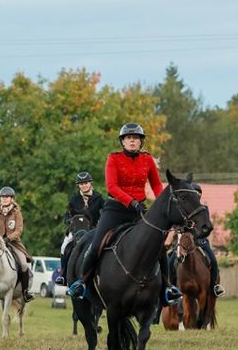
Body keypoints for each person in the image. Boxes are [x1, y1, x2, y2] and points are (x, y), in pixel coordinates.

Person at [67, 123, 182, 305]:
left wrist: (163, 204)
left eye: (135, 138)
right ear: (123, 141)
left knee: (157, 245)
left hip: (139, 211)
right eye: (128, 138)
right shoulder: (113, 159)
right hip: (115, 210)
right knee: (96, 243)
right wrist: (131, 202)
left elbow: (156, 185)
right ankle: (82, 282)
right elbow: (111, 186)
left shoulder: (147, 160)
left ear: (140, 142)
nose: (132, 141)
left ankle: (167, 288)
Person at [0, 186, 34, 303]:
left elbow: (18, 230)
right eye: (2, 197)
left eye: (7, 197)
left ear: (12, 198)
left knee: (23, 264)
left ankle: (25, 291)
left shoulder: (16, 212)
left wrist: (8, 239)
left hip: (14, 244)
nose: (4, 199)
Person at [58, 171, 104, 285]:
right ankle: (63, 275)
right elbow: (67, 214)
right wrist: (69, 220)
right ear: (78, 185)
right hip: (77, 229)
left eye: (86, 183)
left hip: (93, 229)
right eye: (81, 183)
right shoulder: (74, 198)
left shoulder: (98, 197)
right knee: (64, 246)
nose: (84, 185)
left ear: (90, 183)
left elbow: (104, 212)